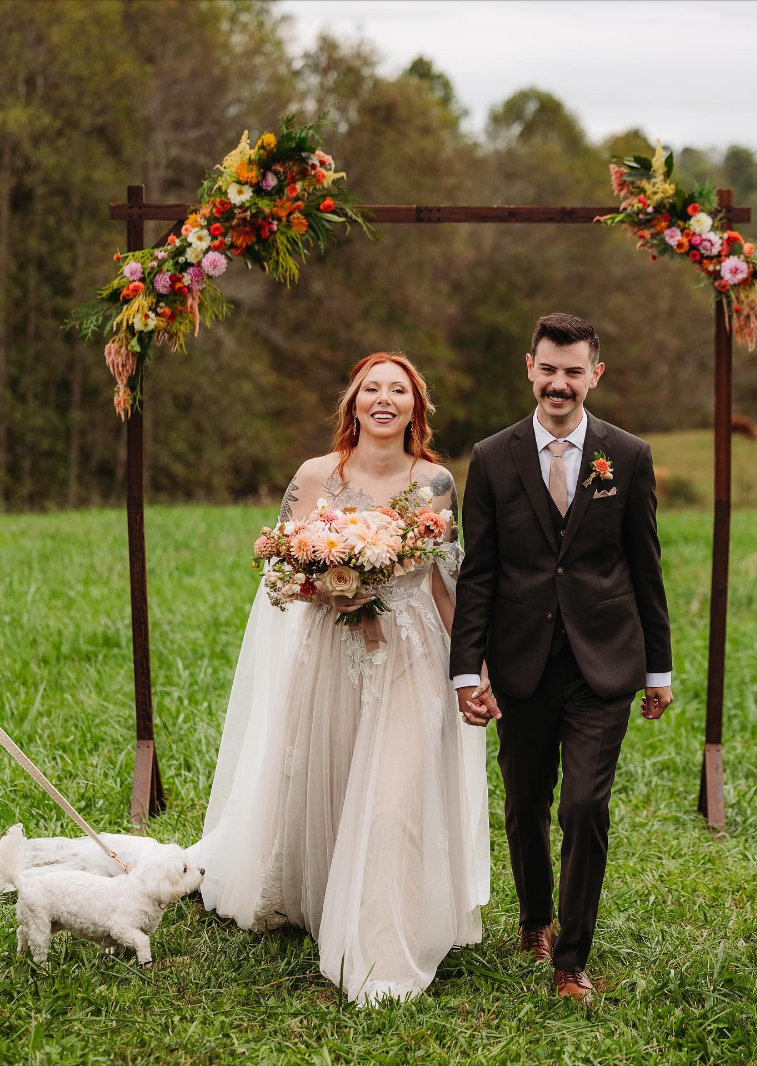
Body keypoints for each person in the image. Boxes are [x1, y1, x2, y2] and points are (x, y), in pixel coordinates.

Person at [190, 350, 490, 1004]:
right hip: (329, 648)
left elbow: (445, 585)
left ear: (416, 408)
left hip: (410, 652)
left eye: (398, 391)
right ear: (352, 403)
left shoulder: (435, 483)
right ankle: (323, 900)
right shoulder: (313, 476)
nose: (384, 399)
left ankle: (380, 945)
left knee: (394, 797)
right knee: (328, 776)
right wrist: (327, 587)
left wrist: (473, 669)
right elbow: (282, 567)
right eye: (371, 389)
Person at [450, 312, 673, 1006]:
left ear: (594, 375)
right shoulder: (491, 457)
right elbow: (478, 573)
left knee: (584, 805)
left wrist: (658, 670)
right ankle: (534, 919)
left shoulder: (627, 456)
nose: (559, 382)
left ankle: (570, 960)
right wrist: (467, 671)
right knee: (524, 805)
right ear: (529, 367)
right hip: (521, 662)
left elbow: (647, 567)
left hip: (605, 662)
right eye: (549, 368)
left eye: (574, 371)